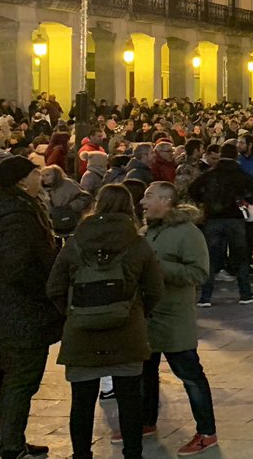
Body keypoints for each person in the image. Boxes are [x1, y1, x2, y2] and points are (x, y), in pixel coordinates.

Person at [46, 184, 164, 459]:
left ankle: (81, 454)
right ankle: (133, 453)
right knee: (129, 399)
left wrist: (75, 312)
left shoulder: (75, 242)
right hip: (126, 331)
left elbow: (54, 287)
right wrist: (136, 312)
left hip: (81, 332)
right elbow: (156, 290)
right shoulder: (138, 243)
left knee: (82, 401)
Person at [139, 182, 218, 456]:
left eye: (148, 196)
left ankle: (206, 432)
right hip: (146, 317)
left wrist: (157, 266)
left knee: (190, 376)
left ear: (166, 200)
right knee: (145, 374)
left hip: (174, 319)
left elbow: (198, 273)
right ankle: (146, 421)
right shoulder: (149, 230)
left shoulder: (188, 233)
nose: (142, 201)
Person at [0, 157, 63, 459]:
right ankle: (11, 445)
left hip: (7, 309)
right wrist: (45, 292)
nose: (41, 177)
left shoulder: (11, 208)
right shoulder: (18, 214)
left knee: (4, 379)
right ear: (23, 180)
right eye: (36, 173)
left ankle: (9, 439)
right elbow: (18, 265)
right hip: (18, 311)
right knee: (22, 380)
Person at [188, 142, 253, 306]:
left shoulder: (210, 173)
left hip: (213, 219)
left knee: (212, 258)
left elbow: (192, 189)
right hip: (235, 219)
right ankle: (245, 293)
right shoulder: (240, 174)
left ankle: (205, 297)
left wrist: (205, 201)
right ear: (236, 155)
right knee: (241, 257)